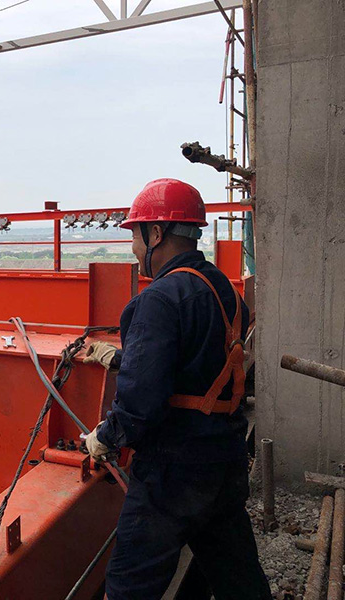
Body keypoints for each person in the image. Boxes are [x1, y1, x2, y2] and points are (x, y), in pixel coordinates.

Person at [82, 179, 270, 600]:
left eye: (134, 236)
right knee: (239, 579)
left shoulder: (159, 300)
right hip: (223, 461)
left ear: (156, 233)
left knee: (130, 586)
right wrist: (119, 358)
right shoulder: (223, 289)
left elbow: (140, 405)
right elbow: (197, 362)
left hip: (173, 473)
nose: (134, 249)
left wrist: (106, 437)